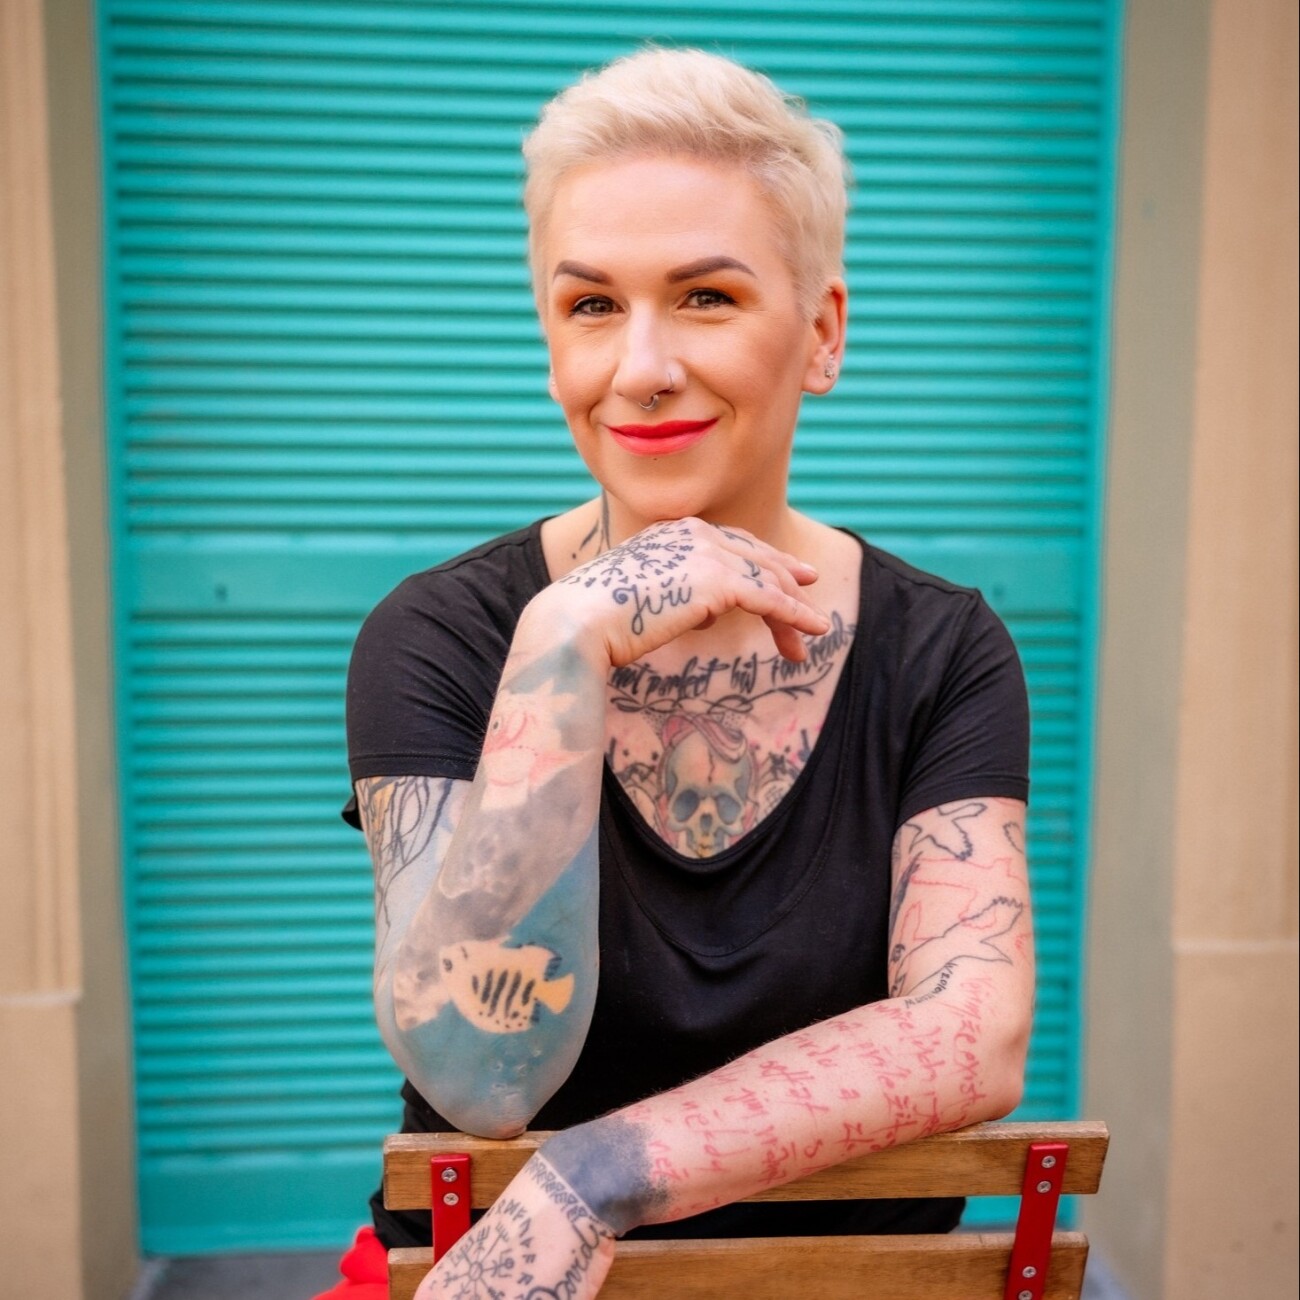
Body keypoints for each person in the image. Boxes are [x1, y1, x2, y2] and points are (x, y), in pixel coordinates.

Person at [323, 46, 1034, 1300]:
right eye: (592, 306)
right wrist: (561, 645)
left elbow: (968, 1035)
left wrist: (593, 1177)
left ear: (821, 333)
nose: (640, 369)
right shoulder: (441, 636)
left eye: (705, 297)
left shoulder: (941, 651)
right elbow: (479, 1077)